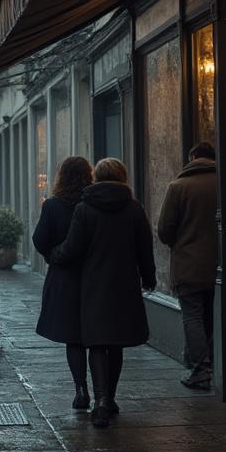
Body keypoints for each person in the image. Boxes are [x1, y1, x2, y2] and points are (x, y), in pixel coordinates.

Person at [50, 158, 156, 429]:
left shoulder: (86, 208)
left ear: (96, 177)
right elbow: (145, 247)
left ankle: (100, 403)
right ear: (122, 177)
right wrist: (149, 277)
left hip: (94, 284)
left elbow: (72, 247)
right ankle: (110, 397)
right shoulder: (134, 208)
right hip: (125, 284)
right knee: (116, 343)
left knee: (97, 342)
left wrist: (56, 256)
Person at [34, 156, 95, 411]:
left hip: (65, 278)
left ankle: (81, 389)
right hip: (95, 276)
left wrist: (53, 256)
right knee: (100, 337)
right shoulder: (93, 203)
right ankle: (104, 393)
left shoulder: (52, 205)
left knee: (75, 339)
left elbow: (39, 240)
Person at [157, 141, 219, 390]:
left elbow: (164, 230)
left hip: (188, 265)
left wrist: (180, 242)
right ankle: (213, 363)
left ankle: (201, 369)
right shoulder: (225, 182)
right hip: (220, 265)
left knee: (192, 316)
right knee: (212, 316)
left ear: (192, 157)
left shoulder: (178, 187)